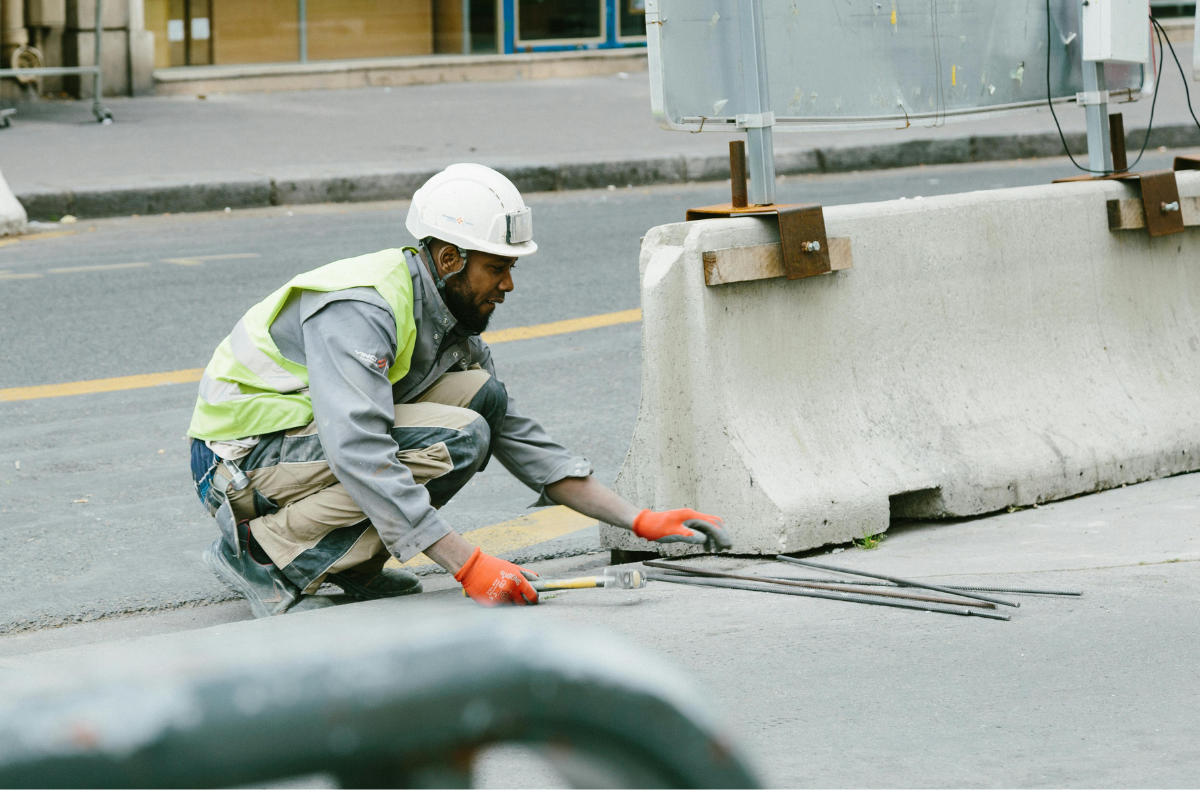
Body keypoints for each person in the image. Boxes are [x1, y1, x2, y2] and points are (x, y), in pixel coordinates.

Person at [187, 164, 729, 617]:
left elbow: (521, 438)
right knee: (460, 436)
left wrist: (638, 519)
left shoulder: (449, 320)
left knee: (481, 400)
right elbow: (358, 448)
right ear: (449, 260)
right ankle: (262, 557)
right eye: (497, 268)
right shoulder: (363, 307)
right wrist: (466, 564)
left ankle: (349, 566)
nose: (508, 285)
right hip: (237, 463)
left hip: (294, 450)